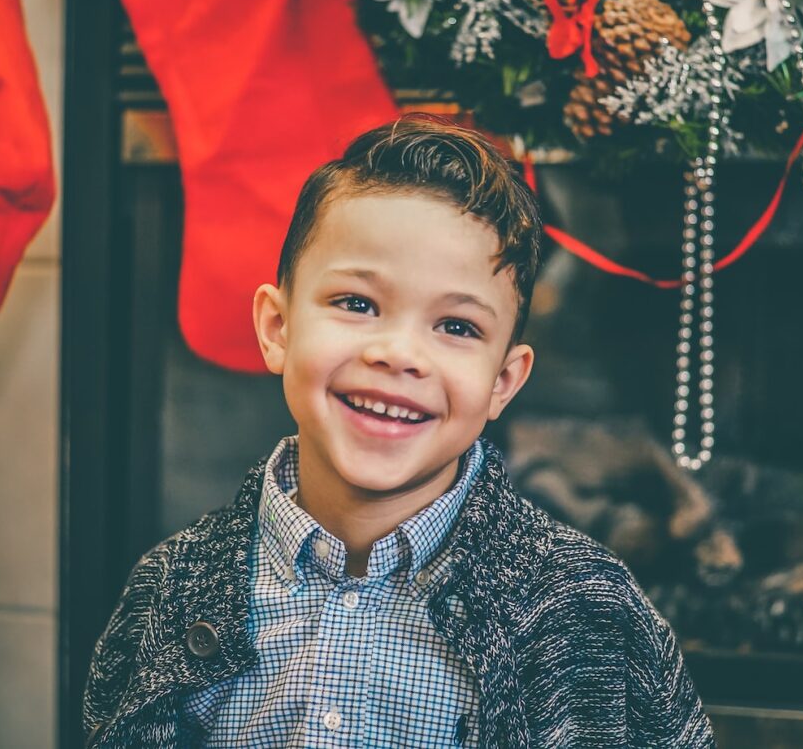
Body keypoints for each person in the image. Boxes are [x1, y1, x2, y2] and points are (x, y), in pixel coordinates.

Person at [81, 116, 716, 748]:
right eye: (357, 304)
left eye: (458, 327)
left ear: (503, 381)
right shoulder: (171, 587)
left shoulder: (582, 610)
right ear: (277, 328)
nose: (400, 354)